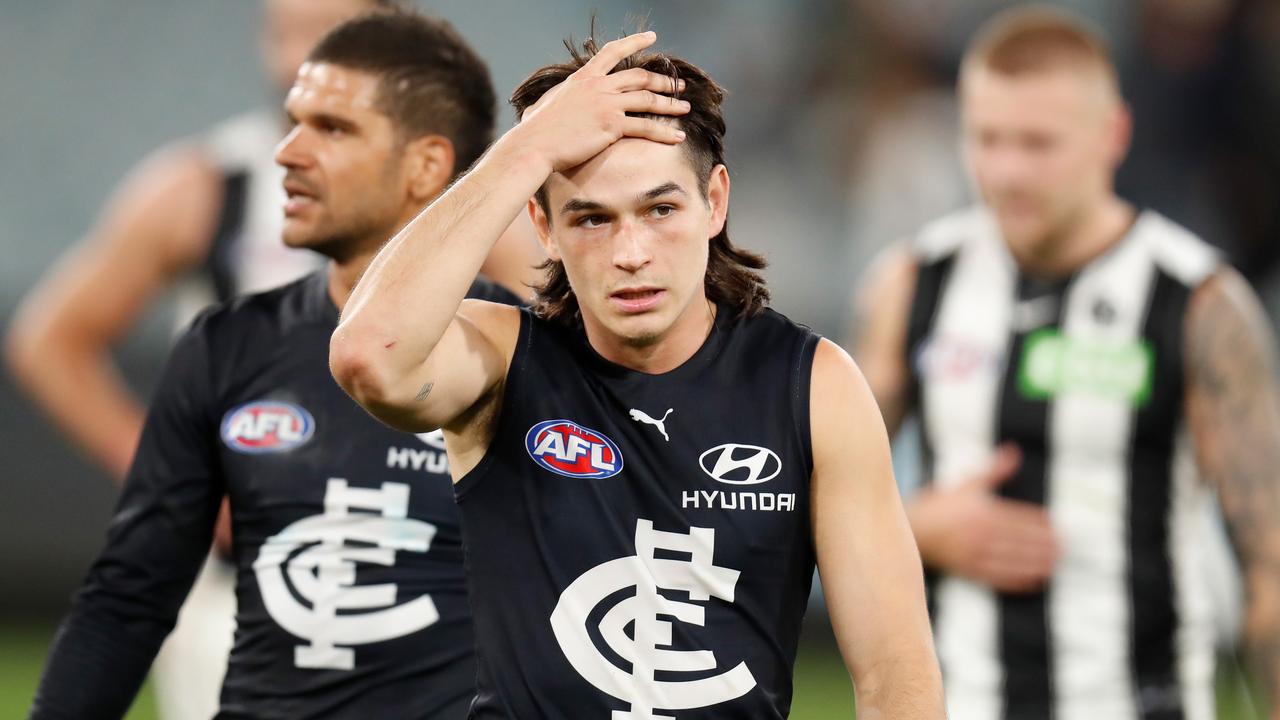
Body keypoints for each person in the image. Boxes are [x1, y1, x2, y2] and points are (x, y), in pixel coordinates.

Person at [329, 30, 944, 719]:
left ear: (714, 202)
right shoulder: (501, 361)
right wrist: (526, 151)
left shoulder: (812, 386)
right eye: (591, 218)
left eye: (660, 209)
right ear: (542, 223)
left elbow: (898, 683)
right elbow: (369, 354)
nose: (630, 252)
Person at [27, 10, 522, 719]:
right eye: (294, 122)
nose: (286, 151)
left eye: (332, 128)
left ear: (427, 165)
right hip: (232, 617)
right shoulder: (224, 336)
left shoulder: (522, 347)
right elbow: (126, 600)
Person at [850, 6, 1280, 719]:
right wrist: (920, 526)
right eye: (988, 139)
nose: (1008, 171)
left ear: (1112, 135)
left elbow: (1269, 564)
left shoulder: (1197, 303)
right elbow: (821, 503)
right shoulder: (909, 284)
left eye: (1038, 143)